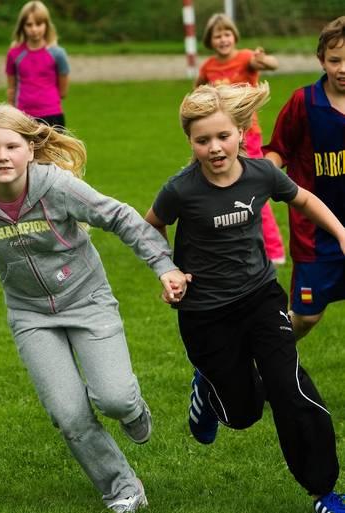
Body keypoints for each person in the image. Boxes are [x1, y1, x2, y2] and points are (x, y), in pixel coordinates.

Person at [0, 103, 189, 512]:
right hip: (30, 315)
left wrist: (163, 265)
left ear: (31, 148)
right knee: (68, 414)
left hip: (88, 300)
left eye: (12, 146)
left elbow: (117, 217)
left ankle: (132, 409)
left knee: (114, 398)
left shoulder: (57, 186)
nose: (2, 156)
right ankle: (122, 488)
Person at [145, 82, 345, 513]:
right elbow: (151, 227)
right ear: (190, 143)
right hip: (204, 314)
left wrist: (342, 232)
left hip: (260, 299)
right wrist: (169, 270)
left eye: (223, 136)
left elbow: (305, 199)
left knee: (289, 386)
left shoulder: (262, 174)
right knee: (242, 414)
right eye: (203, 140)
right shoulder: (181, 189)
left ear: (241, 132)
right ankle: (208, 389)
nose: (215, 148)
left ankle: (324, 492)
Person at [264, 16, 345, 342]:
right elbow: (277, 151)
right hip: (315, 235)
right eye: (335, 60)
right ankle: (267, 359)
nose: (342, 68)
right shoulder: (304, 102)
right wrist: (261, 178)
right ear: (321, 60)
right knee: (308, 314)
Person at [196, 12, 286, 266]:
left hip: (248, 135)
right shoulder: (209, 67)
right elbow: (198, 91)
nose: (223, 39)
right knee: (227, 189)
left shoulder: (246, 58)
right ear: (210, 41)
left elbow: (272, 64)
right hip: (220, 137)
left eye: (226, 34)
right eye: (217, 35)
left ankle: (275, 249)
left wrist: (263, 60)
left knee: (254, 185)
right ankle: (233, 243)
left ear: (234, 36)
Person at [6, 1, 69, 128]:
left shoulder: (58, 54)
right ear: (22, 27)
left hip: (52, 115)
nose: (34, 29)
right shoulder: (14, 54)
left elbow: (63, 91)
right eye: (29, 25)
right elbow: (11, 89)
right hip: (23, 116)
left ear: (46, 25)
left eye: (39, 24)